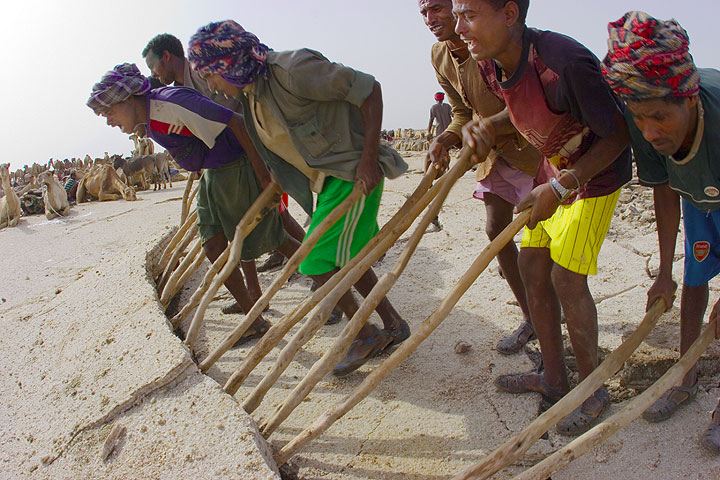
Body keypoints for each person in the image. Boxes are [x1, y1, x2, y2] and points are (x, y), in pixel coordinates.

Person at [187, 20, 410, 375]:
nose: (211, 85)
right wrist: (274, 175)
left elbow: (369, 90)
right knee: (346, 259)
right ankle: (393, 324)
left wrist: (368, 160)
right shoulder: (251, 95)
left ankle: (365, 334)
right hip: (325, 182)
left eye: (210, 76)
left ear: (226, 64)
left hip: (351, 173)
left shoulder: (292, 70)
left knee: (314, 261)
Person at [455, 0, 632, 435]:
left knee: (567, 279)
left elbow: (617, 133)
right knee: (533, 266)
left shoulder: (563, 62)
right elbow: (520, 112)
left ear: (510, 14)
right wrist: (487, 126)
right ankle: (554, 379)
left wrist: (562, 186)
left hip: (594, 176)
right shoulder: (489, 63)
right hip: (552, 168)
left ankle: (593, 389)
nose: (459, 27)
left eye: (469, 14)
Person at [87, 63, 300, 343]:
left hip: (234, 166)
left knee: (275, 238)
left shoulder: (170, 105)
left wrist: (262, 174)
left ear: (128, 100)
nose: (109, 121)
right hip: (213, 172)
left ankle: (338, 290)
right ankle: (254, 319)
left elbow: (235, 122)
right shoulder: (150, 120)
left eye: (110, 113)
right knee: (213, 244)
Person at [602, 10, 720, 453]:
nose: (649, 131)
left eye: (659, 118)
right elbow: (666, 190)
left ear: (689, 100)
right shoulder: (641, 113)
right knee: (693, 282)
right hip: (698, 197)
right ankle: (684, 375)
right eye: (639, 117)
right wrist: (663, 270)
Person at [143, 33, 307, 309]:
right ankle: (257, 293)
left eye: (153, 66)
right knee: (244, 224)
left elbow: (232, 115)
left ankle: (322, 266)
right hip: (229, 156)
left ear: (167, 57)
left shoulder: (198, 73)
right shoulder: (180, 86)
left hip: (248, 146)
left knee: (274, 215)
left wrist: (258, 165)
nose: (154, 74)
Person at [420, 0, 541, 355]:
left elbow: (525, 100)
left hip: (530, 148)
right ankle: (531, 317)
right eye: (424, 12)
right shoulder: (440, 55)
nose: (432, 19)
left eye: (438, 9)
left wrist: (486, 125)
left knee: (543, 242)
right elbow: (462, 111)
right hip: (493, 152)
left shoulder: (489, 39)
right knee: (495, 230)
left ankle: (552, 317)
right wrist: (445, 138)